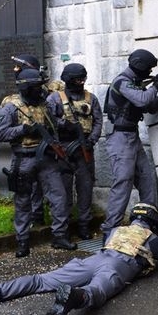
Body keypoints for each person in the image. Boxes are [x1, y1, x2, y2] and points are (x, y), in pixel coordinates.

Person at [0, 202, 158, 315]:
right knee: (97, 291)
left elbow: (108, 244)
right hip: (116, 267)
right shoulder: (154, 239)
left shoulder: (117, 230)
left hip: (92, 261)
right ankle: (75, 297)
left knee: (41, 280)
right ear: (155, 222)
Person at [0, 68, 77, 257]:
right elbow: (0, 133)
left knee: (59, 196)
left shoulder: (44, 104)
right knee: (23, 202)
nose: (40, 90)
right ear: (26, 87)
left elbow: (53, 125)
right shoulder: (12, 107)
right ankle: (22, 241)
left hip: (46, 157)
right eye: (36, 86)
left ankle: (60, 236)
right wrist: (23, 129)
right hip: (24, 159)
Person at [100, 49, 158, 239]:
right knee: (123, 182)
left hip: (131, 137)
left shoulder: (135, 83)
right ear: (140, 66)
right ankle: (110, 229)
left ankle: (149, 222)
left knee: (147, 180)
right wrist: (156, 87)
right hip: (119, 137)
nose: (150, 71)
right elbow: (143, 100)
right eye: (148, 68)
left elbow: (151, 107)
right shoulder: (122, 82)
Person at [46, 63, 103, 239]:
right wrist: (65, 125)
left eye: (83, 79)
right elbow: (49, 120)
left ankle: (84, 226)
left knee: (85, 190)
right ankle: (64, 228)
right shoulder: (55, 99)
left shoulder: (91, 98)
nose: (81, 82)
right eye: (78, 79)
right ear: (69, 80)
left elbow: (98, 121)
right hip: (63, 150)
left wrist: (91, 141)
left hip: (84, 149)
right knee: (63, 192)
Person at [7, 54, 52, 227]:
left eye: (19, 68)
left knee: (42, 188)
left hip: (45, 150)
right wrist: (24, 129)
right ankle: (26, 225)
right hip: (24, 152)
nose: (15, 70)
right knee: (25, 192)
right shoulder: (13, 102)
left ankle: (38, 216)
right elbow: (3, 132)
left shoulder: (45, 95)